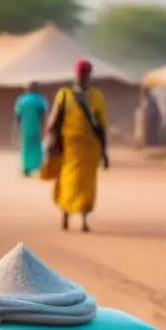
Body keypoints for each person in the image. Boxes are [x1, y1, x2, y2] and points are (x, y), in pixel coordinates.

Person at [45, 60, 108, 233]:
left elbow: (100, 125)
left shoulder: (90, 96)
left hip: (87, 148)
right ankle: (73, 217)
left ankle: (76, 217)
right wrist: (104, 151)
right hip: (73, 146)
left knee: (77, 181)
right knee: (75, 181)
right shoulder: (67, 94)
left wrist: (104, 151)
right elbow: (54, 122)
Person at [14, 83, 48, 176]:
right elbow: (43, 114)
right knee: (37, 147)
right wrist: (43, 126)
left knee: (26, 148)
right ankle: (38, 167)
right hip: (36, 127)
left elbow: (18, 115)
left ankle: (26, 168)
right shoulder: (39, 100)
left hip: (25, 128)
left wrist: (19, 126)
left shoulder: (21, 100)